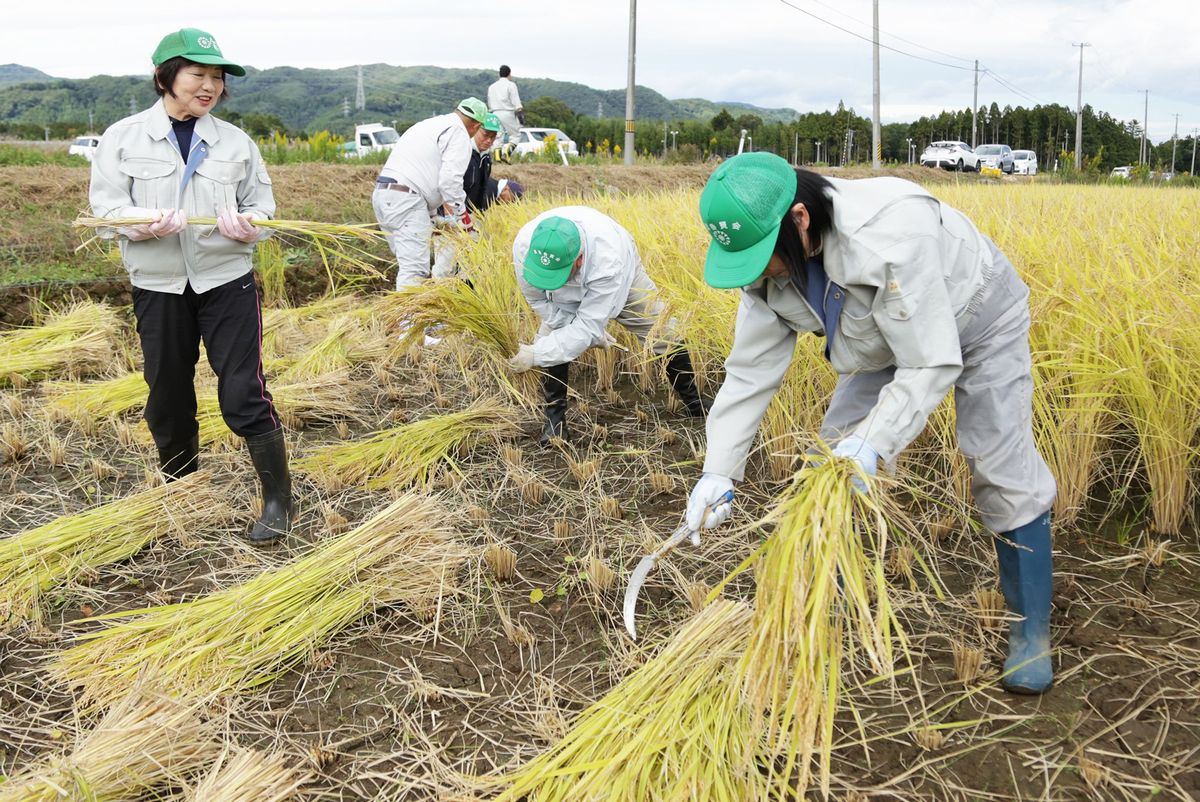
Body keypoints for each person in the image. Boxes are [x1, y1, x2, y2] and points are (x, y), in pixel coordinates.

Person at [685, 152, 1057, 695]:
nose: (759, 270)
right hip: (881, 341)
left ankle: (1032, 634)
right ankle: (818, 615)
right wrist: (718, 471)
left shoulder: (888, 237)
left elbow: (929, 360)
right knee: (827, 468)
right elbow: (749, 374)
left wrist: (874, 443)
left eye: (763, 255)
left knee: (998, 460)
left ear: (800, 219)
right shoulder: (767, 267)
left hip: (977, 318)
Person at [89, 28, 291, 545]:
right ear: (166, 78)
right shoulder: (123, 138)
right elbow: (105, 210)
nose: (209, 87)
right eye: (198, 74)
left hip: (226, 280)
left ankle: (277, 499)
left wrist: (251, 225)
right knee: (169, 393)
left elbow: (262, 208)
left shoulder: (236, 142)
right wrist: (138, 223)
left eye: (217, 78)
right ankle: (182, 490)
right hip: (158, 284)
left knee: (243, 391)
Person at [508, 207, 709, 445]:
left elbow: (587, 326)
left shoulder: (608, 261)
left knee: (663, 331)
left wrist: (540, 354)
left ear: (579, 259)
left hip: (622, 272)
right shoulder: (524, 247)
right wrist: (556, 336)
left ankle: (695, 403)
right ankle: (555, 423)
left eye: (560, 273)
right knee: (554, 338)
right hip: (569, 287)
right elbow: (537, 299)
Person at [372, 98, 487, 291]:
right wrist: (463, 219)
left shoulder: (429, 124)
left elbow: (422, 173)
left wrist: (434, 218)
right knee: (414, 270)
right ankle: (408, 322)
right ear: (476, 126)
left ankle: (403, 317)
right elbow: (449, 182)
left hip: (385, 195)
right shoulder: (458, 132)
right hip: (407, 200)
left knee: (408, 263)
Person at [486, 65, 524, 146]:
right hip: (508, 113)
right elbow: (516, 102)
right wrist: (521, 117)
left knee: (498, 137)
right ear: (509, 74)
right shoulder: (511, 85)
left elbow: (489, 103)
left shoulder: (492, 87)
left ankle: (497, 156)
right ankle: (507, 152)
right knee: (515, 135)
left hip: (495, 114)